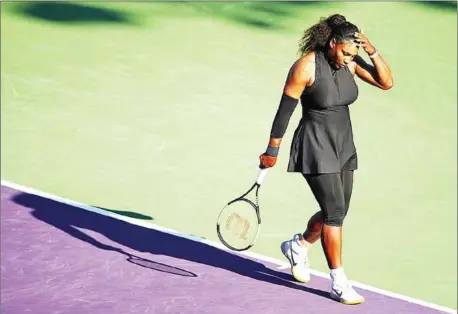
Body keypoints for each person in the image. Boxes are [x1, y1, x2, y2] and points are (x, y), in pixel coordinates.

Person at [258, 13, 393, 305]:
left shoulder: (352, 63)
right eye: (345, 52)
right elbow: (285, 111)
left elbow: (386, 83)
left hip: (344, 145)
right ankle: (339, 282)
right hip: (315, 146)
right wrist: (272, 150)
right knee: (334, 214)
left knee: (337, 210)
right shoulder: (305, 67)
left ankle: (299, 244)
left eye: (353, 53)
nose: (348, 58)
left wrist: (371, 50)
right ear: (333, 44)